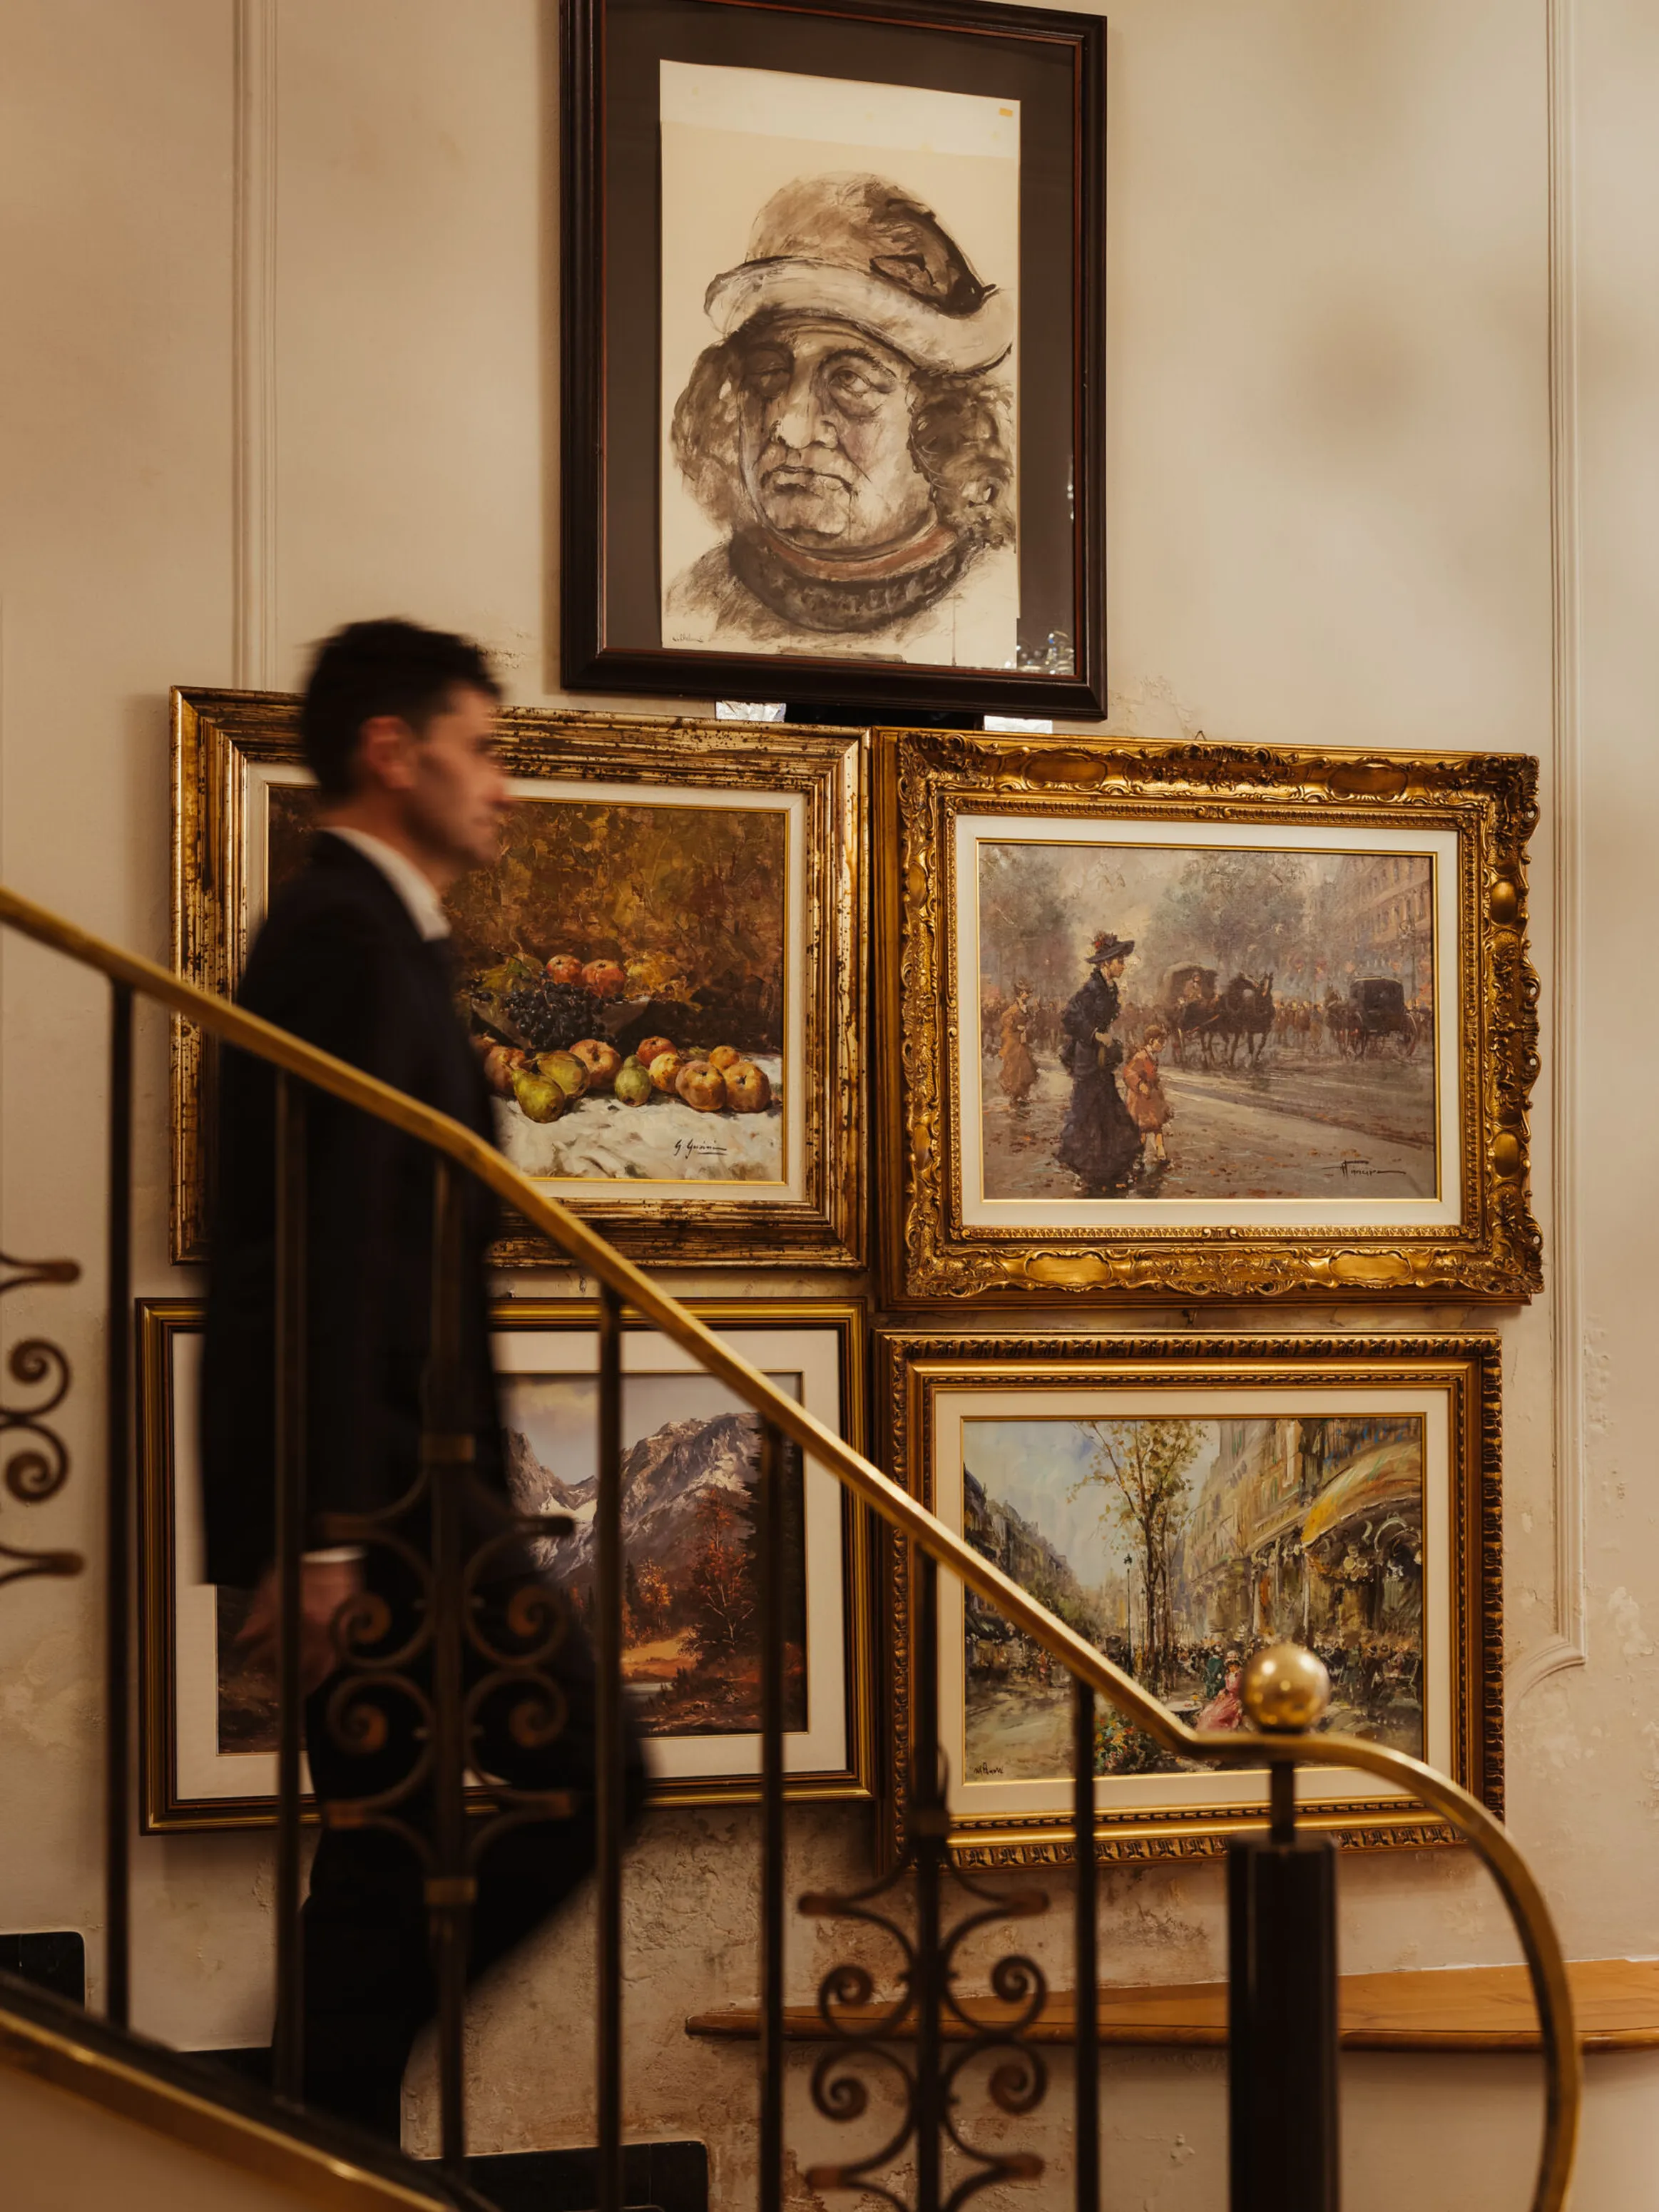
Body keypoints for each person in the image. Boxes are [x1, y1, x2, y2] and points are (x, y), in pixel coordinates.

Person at [200, 618, 643, 2141]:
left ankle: (321, 2134)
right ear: (394, 750)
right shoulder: (339, 933)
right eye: (485, 743)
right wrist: (317, 1528)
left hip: (386, 1472)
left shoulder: (373, 932)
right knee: (595, 1776)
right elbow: (315, 1246)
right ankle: (303, 2114)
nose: (504, 784)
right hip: (381, 1480)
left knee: (387, 1846)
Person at [666, 174, 1016, 657]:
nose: (790, 429)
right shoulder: (687, 611)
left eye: (850, 381)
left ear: (946, 426)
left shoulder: (1000, 616)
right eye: (769, 375)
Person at [1056, 932, 1143, 1194]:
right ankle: (1089, 1169)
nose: (1123, 966)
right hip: (1088, 1059)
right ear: (1105, 964)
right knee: (1088, 1113)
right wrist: (1095, 1034)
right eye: (1119, 961)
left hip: (1100, 1059)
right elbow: (1069, 1017)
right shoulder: (1091, 989)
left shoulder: (1108, 987)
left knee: (1106, 1109)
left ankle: (1108, 1167)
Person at [1123, 1022, 1173, 1169]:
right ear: (1152, 1041)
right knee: (1143, 1129)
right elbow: (1128, 1073)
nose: (1163, 1046)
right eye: (1161, 1042)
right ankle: (1138, 1158)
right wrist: (1140, 1085)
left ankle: (1161, 1154)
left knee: (1157, 1126)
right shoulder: (1141, 1056)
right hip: (1140, 1099)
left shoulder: (1151, 1056)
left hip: (1151, 1098)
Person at [998, 984, 1037, 1113]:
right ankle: (1014, 1096)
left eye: (1028, 993)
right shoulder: (1014, 1007)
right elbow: (1004, 1019)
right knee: (1015, 1068)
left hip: (1022, 1040)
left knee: (1026, 1067)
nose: (1028, 995)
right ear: (1021, 993)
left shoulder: (1024, 1007)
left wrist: (1028, 1024)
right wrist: (1016, 1026)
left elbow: (1029, 1020)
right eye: (1026, 993)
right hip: (1013, 1041)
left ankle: (1023, 1095)